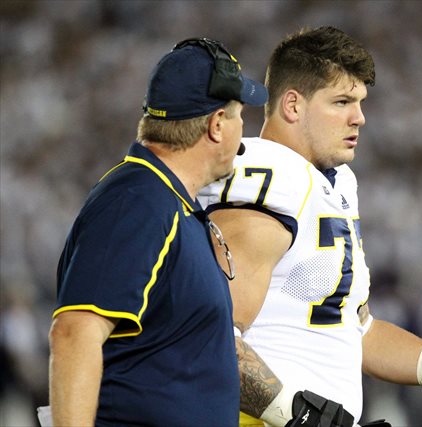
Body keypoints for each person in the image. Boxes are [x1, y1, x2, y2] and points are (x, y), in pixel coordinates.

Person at [198, 26, 422, 426]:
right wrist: (301, 417)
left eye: (360, 102)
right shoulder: (268, 175)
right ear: (292, 105)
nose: (359, 117)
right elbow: (213, 332)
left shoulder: (332, 182)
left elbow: (357, 330)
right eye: (341, 102)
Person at [45, 37, 267, 426]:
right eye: (238, 114)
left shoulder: (169, 202)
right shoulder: (138, 201)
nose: (242, 129)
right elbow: (74, 333)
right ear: (217, 125)